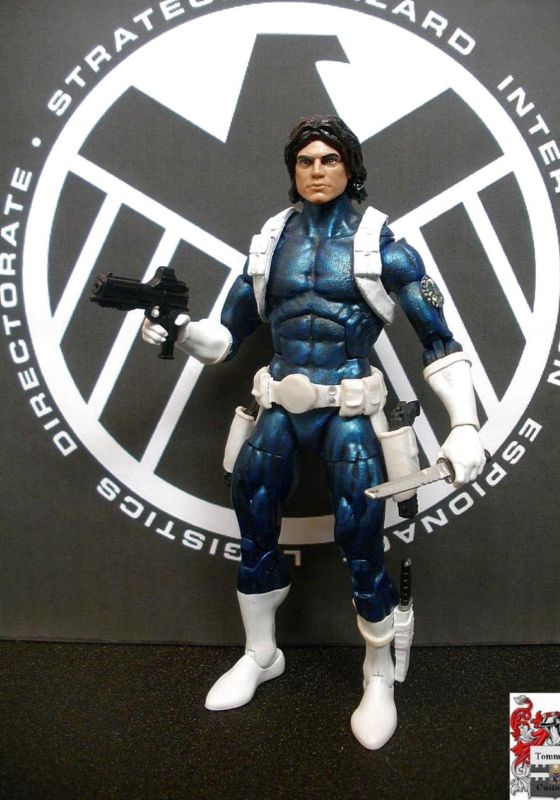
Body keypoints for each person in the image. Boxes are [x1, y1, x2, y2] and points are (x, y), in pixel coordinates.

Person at [142, 115, 486, 749]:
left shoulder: (385, 247)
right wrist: (180, 331)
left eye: (329, 159)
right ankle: (261, 654)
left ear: (350, 167)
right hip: (278, 406)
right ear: (292, 170)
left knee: (362, 542)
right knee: (253, 527)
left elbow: (439, 339)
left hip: (348, 412)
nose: (317, 170)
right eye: (305, 161)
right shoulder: (270, 244)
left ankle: (377, 674)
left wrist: (463, 424)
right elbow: (226, 338)